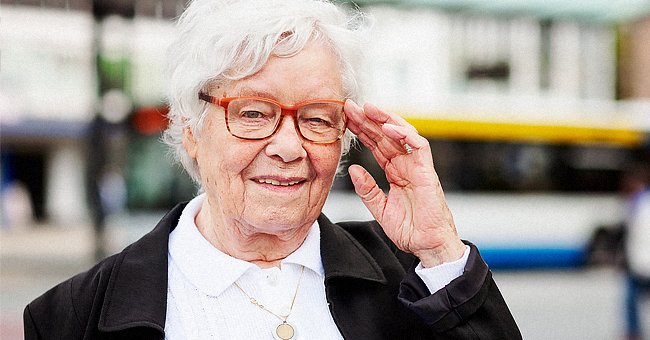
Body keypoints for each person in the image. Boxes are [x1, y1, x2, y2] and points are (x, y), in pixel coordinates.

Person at [23, 0, 521, 338]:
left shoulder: (416, 279)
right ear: (192, 131)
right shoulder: (72, 316)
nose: (288, 146)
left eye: (317, 118)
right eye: (254, 113)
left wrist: (439, 251)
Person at [622, 163, 650, 340]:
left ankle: (633, 332)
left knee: (631, 301)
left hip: (641, 261)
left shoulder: (638, 202)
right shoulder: (638, 202)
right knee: (631, 300)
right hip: (640, 260)